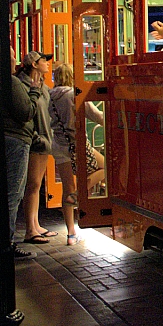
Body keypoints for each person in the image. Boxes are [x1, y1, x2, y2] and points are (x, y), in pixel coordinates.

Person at [48, 63, 107, 245]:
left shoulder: (49, 96)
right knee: (106, 166)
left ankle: (71, 234)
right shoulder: (75, 94)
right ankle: (81, 193)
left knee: (67, 188)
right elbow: (96, 116)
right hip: (77, 144)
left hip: (58, 145)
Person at [2, 49, 43, 259]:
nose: (14, 61)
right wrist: (34, 93)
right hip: (17, 141)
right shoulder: (11, 82)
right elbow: (26, 112)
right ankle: (7, 243)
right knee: (13, 194)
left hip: (9, 140)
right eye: (10, 58)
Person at [17, 51, 56, 245]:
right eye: (44, 61)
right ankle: (30, 229)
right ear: (34, 64)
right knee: (32, 185)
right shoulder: (23, 86)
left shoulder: (42, 86)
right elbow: (25, 114)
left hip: (44, 140)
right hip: (36, 142)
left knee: (37, 185)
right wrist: (38, 138)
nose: (48, 64)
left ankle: (36, 224)